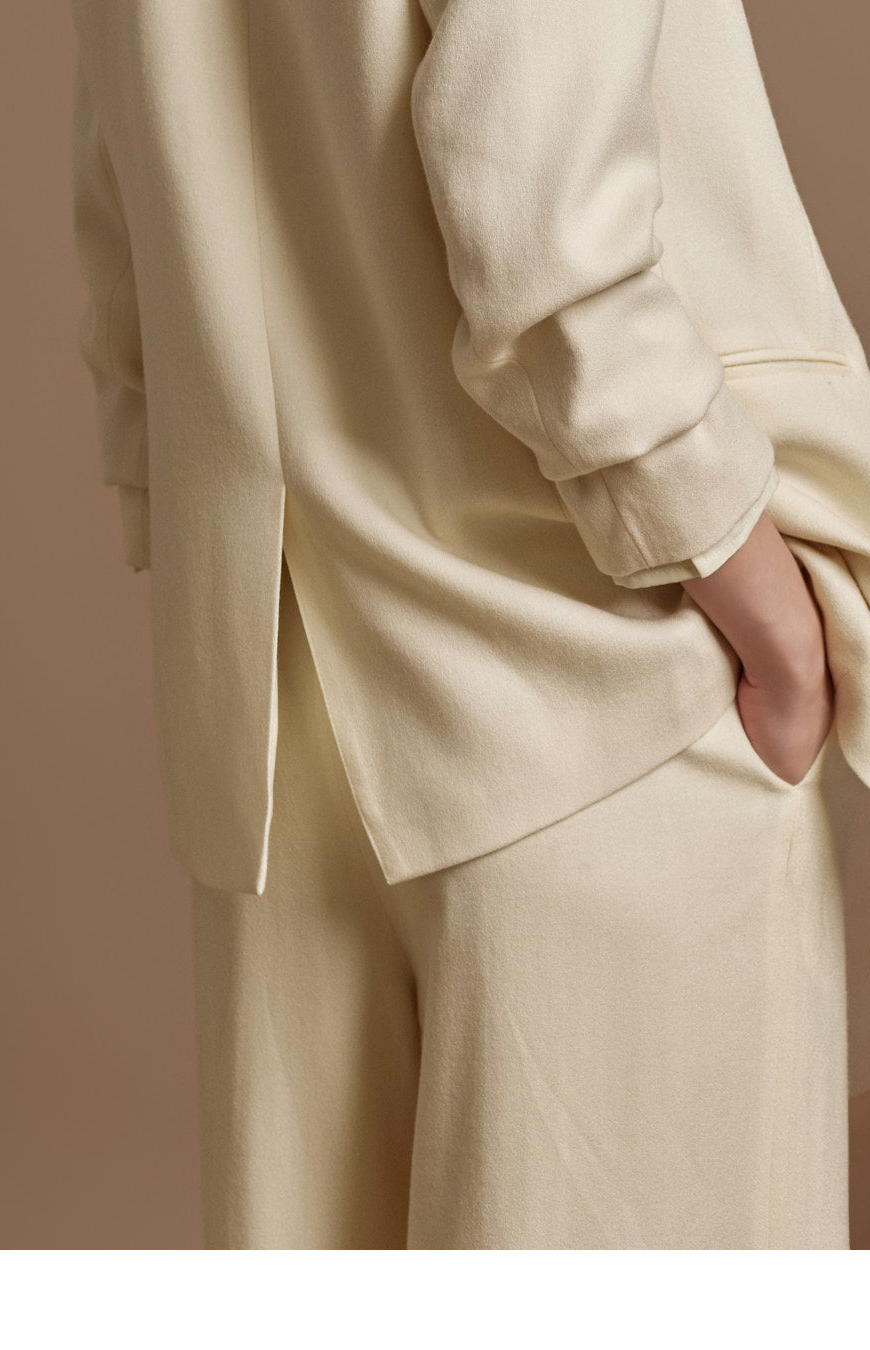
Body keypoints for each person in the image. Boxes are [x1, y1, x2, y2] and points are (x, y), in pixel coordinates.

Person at [68, 0, 870, 1247]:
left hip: (282, 708)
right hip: (600, 679)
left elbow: (121, 193)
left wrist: (176, 517)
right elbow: (545, 235)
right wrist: (757, 594)